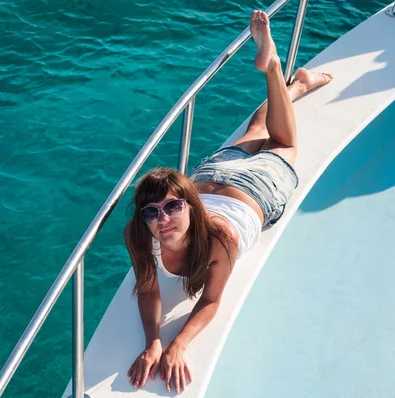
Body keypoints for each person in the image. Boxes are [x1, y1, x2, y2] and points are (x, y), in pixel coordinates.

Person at [125, 10, 334, 394]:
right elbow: (148, 288)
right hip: (209, 180)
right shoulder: (141, 232)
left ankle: (278, 72)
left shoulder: (220, 239)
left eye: (172, 207)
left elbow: (211, 300)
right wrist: (154, 341)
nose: (163, 219)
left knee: (282, 142)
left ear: (187, 204)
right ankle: (292, 83)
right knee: (260, 129)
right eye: (153, 212)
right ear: (144, 217)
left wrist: (179, 344)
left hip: (256, 189)